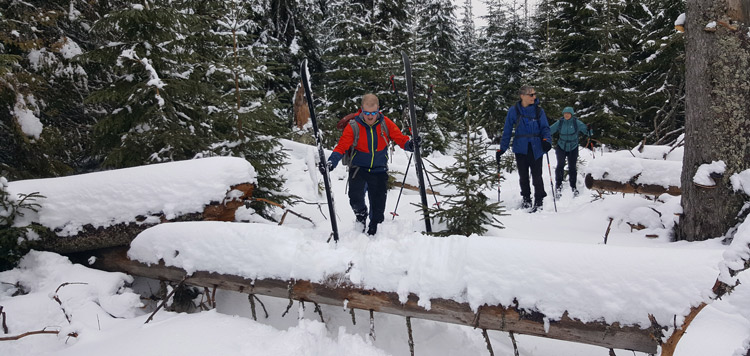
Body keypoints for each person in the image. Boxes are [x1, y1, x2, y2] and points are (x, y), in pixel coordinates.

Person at [324, 94, 416, 235]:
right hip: (358, 168)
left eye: (373, 113)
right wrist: (332, 161)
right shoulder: (354, 125)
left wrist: (410, 145)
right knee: (355, 199)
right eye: (367, 113)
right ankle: (361, 216)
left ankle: (375, 225)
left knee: (378, 207)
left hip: (379, 169)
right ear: (362, 110)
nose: (370, 116)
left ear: (378, 110)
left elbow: (400, 138)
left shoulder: (385, 123)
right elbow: (341, 146)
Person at [496, 85, 552, 213]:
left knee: (537, 175)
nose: (534, 97)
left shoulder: (539, 111)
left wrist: (546, 141)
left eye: (534, 94)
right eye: (531, 95)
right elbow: (507, 130)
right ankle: (526, 199)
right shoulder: (514, 110)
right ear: (522, 96)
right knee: (523, 176)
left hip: (536, 146)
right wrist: (502, 149)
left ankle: (539, 201)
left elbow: (545, 128)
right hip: (521, 147)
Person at [549, 106, 590, 198]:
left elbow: (586, 131)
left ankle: (573, 186)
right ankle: (558, 185)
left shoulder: (576, 122)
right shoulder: (560, 122)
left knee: (572, 167)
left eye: (568, 114)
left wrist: (589, 130)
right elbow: (550, 130)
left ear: (572, 114)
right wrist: (542, 134)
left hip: (573, 147)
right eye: (565, 113)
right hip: (561, 146)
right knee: (560, 165)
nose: (566, 115)